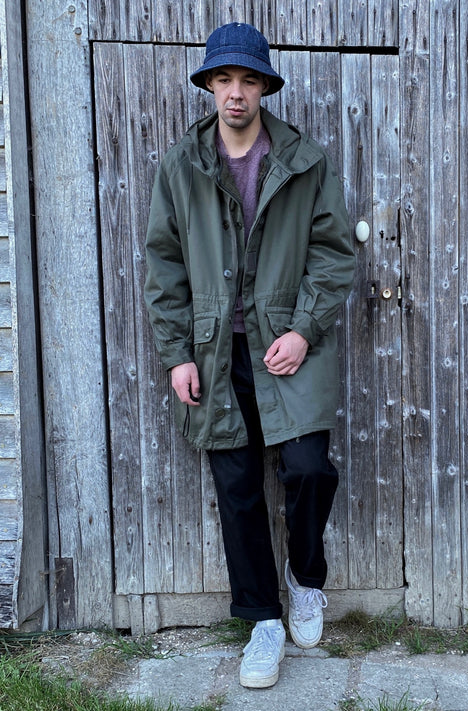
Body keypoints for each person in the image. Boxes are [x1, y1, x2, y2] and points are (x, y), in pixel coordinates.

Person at [144, 22, 355, 689]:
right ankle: (263, 620)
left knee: (308, 468)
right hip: (213, 350)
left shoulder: (303, 160)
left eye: (247, 79)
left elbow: (333, 253)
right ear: (209, 85)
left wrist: (304, 329)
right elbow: (164, 264)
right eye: (224, 79)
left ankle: (306, 578)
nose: (235, 92)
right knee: (236, 487)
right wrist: (177, 354)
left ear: (264, 87)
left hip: (288, 340)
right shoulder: (182, 164)